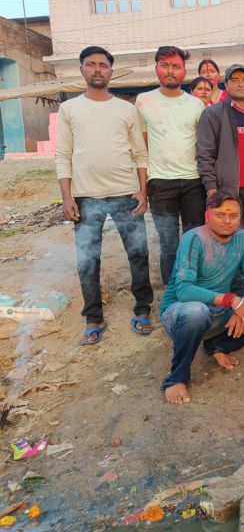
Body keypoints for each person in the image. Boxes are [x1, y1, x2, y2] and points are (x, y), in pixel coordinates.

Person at [56, 45, 153, 345]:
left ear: (111, 71)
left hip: (126, 193)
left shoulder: (126, 109)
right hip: (85, 196)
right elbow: (63, 154)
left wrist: (143, 190)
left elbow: (139, 153)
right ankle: (93, 316)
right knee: (87, 260)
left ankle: (143, 308)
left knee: (138, 253)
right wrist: (67, 197)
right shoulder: (69, 109)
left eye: (103, 65)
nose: (97, 69)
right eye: (91, 64)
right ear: (82, 70)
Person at [160, 192, 244, 405]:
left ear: (240, 216)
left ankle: (216, 346)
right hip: (180, 313)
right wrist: (233, 301)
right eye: (220, 214)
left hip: (219, 310)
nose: (227, 221)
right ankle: (176, 378)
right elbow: (185, 291)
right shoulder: (194, 238)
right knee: (196, 311)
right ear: (208, 215)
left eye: (233, 215)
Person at [196, 64, 244, 298]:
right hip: (227, 192)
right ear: (226, 84)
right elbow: (205, 154)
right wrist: (211, 189)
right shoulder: (213, 113)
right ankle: (234, 292)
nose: (241, 83)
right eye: (235, 79)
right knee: (229, 243)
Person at [135, 46, 206, 287]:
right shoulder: (144, 101)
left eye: (176, 66)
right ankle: (173, 294)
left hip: (194, 183)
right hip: (160, 183)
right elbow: (141, 148)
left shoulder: (196, 105)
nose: (170, 71)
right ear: (156, 69)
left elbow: (204, 146)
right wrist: (142, 188)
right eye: (165, 65)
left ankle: (194, 288)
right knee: (168, 243)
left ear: (184, 71)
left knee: (194, 240)